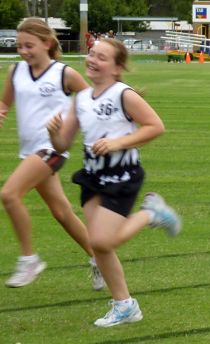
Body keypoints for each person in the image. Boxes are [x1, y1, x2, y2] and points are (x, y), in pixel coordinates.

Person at [47, 37, 182, 328]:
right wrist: (54, 133)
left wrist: (118, 143)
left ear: (117, 68)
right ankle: (124, 305)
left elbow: (155, 126)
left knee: (102, 241)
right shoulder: (81, 99)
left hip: (122, 176)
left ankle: (151, 214)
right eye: (91, 54)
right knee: (99, 246)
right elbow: (63, 144)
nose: (92, 60)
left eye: (102, 57)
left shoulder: (124, 94)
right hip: (93, 177)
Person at [0, 17, 101, 289]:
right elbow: (4, 101)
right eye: (19, 46)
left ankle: (29, 260)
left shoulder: (64, 74)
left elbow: (93, 102)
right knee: (61, 212)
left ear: (47, 43)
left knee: (9, 194)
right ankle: (100, 258)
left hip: (52, 149)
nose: (23, 51)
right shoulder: (15, 71)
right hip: (29, 152)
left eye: (29, 45)